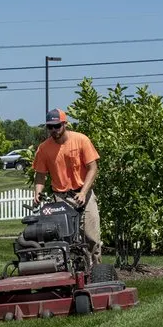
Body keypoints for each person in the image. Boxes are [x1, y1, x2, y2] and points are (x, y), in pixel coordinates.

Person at [32, 108, 102, 265]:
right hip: (61, 198)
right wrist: (38, 192)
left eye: (57, 126)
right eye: (50, 127)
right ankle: (68, 273)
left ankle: (97, 272)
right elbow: (40, 175)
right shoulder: (44, 148)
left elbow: (93, 168)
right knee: (63, 238)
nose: (54, 130)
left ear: (65, 124)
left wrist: (83, 192)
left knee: (91, 238)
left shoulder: (81, 140)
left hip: (84, 194)